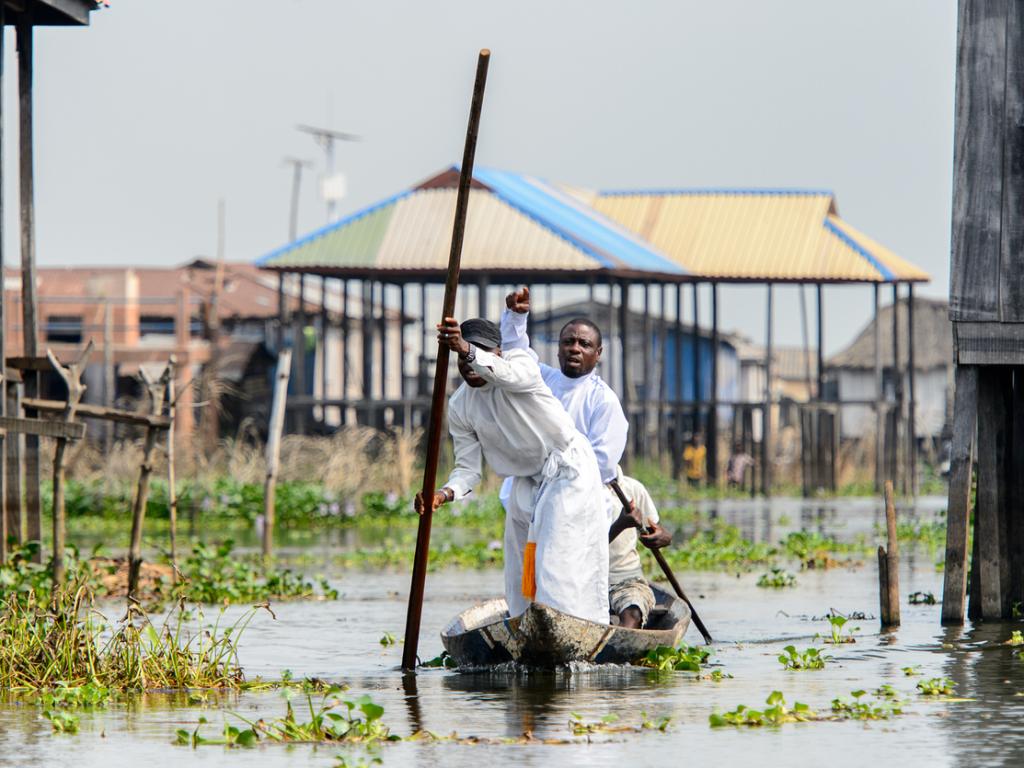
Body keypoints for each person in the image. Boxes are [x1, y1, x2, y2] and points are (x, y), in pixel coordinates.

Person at [415, 315, 610, 625]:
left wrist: (466, 349)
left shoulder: (520, 365)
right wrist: (444, 493)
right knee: (518, 567)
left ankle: (573, 626)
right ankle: (524, 628)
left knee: (556, 565)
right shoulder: (460, 405)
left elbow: (505, 373)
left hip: (567, 471)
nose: (469, 364)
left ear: (498, 352)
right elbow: (468, 469)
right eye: (462, 357)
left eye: (480, 351)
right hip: (525, 480)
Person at [500, 287, 671, 627]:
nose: (575, 348)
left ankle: (577, 626)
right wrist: (516, 318)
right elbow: (517, 356)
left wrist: (558, 482)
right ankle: (528, 620)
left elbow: (600, 464)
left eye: (584, 344)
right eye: (568, 342)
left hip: (577, 494)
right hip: (532, 492)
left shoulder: (602, 400)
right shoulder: (543, 380)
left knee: (567, 572)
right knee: (527, 574)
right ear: (558, 348)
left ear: (598, 353)